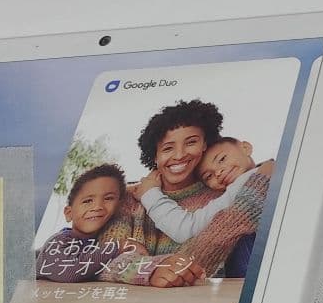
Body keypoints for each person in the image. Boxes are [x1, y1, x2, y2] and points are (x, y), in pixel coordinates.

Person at [94, 101, 270, 287]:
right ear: (155, 156)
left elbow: (201, 262)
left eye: (191, 142)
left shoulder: (223, 193)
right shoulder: (128, 199)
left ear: (205, 145)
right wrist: (151, 270)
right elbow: (101, 260)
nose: (179, 155)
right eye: (167, 148)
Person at [132, 137, 275, 244]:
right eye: (208, 176)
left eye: (222, 159)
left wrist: (150, 194)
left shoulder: (251, 179)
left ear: (246, 147)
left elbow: (186, 229)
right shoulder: (251, 180)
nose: (218, 172)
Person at [35, 163, 146, 282]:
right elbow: (68, 272)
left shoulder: (99, 241)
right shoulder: (59, 241)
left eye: (108, 198)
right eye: (87, 201)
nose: (97, 206)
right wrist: (119, 247)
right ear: (69, 213)